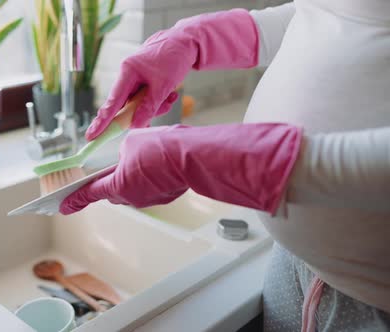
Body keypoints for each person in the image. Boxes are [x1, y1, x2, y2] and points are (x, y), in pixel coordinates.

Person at [60, 1, 390, 331]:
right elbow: (327, 14)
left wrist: (248, 164)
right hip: (293, 263)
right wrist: (197, 40)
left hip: (372, 301)